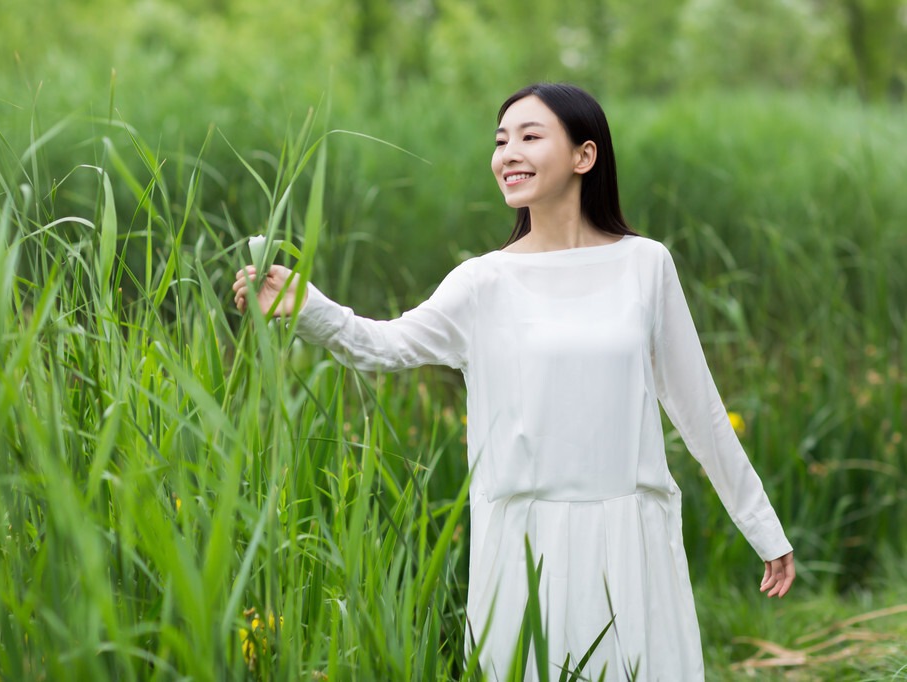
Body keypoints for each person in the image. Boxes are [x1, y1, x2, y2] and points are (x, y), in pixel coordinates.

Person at [232, 82, 795, 681]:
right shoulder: (484, 282)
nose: (508, 154)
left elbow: (698, 407)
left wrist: (762, 526)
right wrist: (308, 307)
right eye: (501, 141)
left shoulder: (645, 264)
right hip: (526, 542)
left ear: (585, 156)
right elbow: (384, 345)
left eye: (530, 137)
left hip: (630, 536)